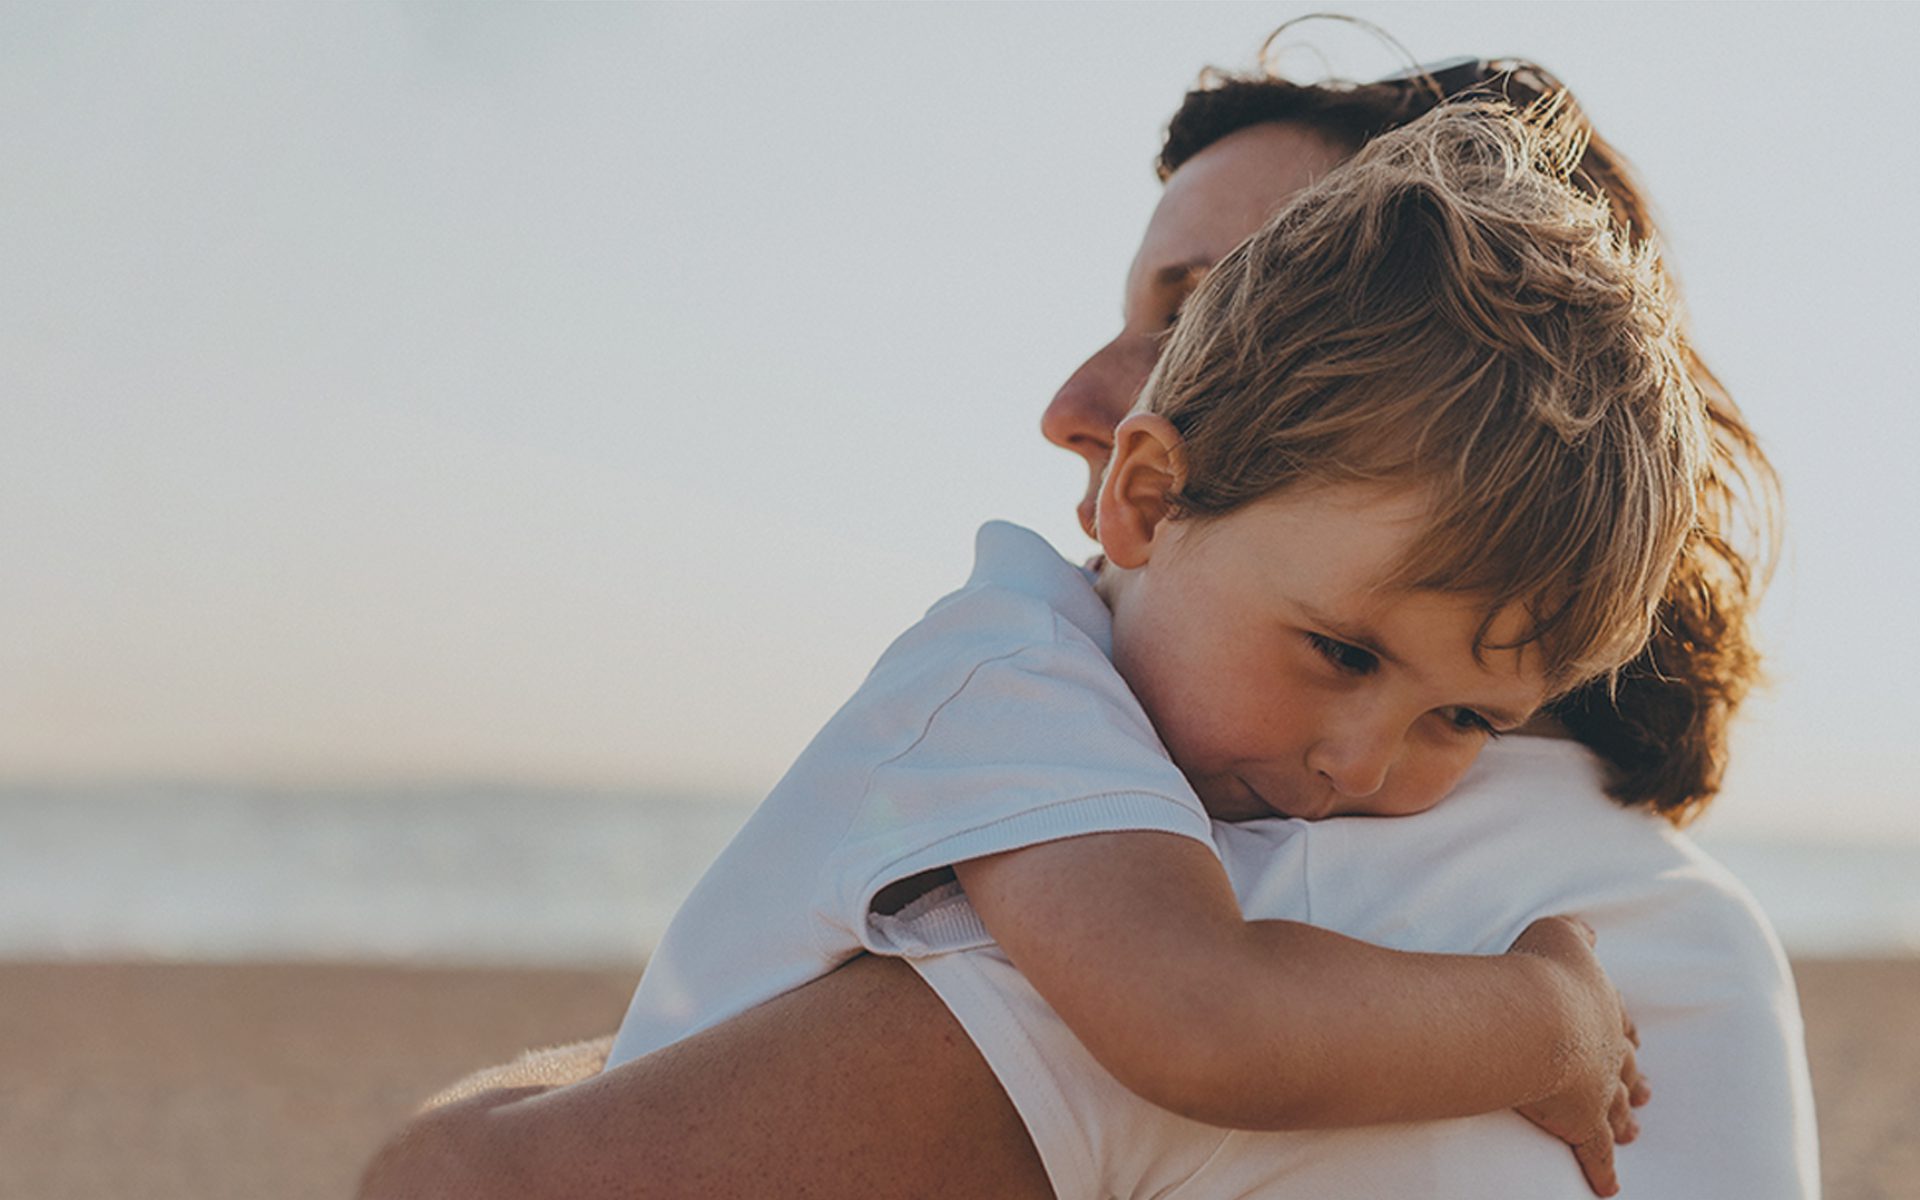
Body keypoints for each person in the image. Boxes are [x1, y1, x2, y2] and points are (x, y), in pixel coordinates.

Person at [359, 49, 1815, 1200]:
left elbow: (466, 1185)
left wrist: (1548, 1020)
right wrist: (1542, 1022)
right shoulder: (1685, 928)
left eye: (1202, 312)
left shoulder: (1303, 874)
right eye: (1346, 656)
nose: (1071, 405)